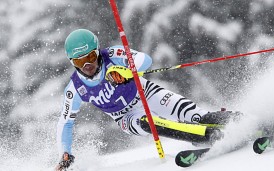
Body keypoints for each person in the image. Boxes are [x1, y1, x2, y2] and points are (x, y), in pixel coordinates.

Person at [55, 29, 238, 170]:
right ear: (72, 62)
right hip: (125, 117)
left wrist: (124, 70)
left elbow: (145, 59)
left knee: (193, 115)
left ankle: (237, 119)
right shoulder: (75, 88)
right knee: (147, 122)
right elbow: (66, 122)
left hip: (145, 93)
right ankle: (207, 136)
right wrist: (65, 153)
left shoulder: (112, 55)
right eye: (79, 62)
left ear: (97, 51)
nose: (87, 65)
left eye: (91, 57)